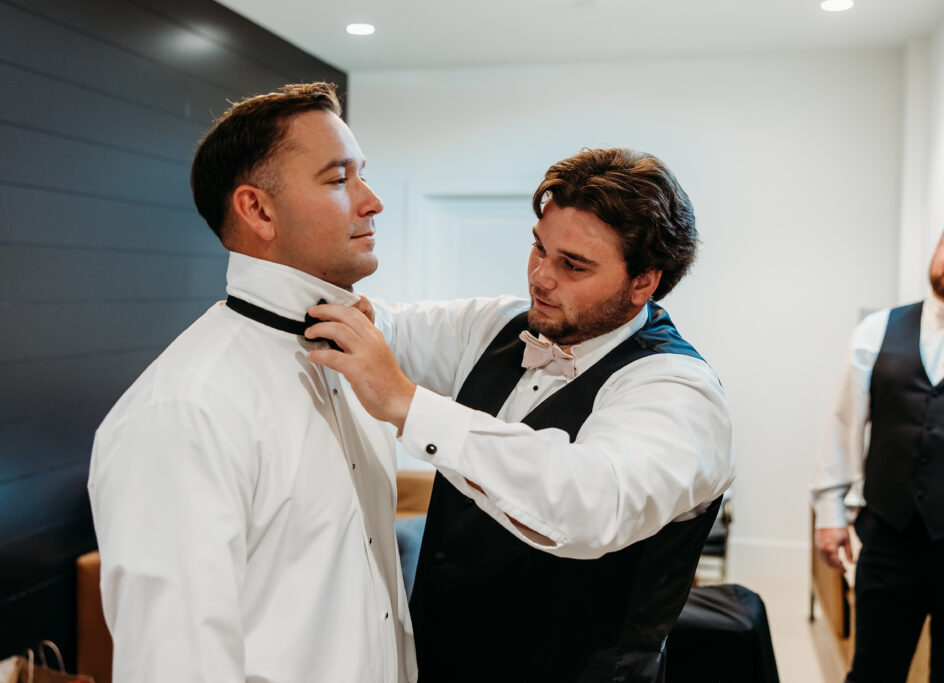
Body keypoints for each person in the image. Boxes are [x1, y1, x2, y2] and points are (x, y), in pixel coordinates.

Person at [307, 148, 735, 682]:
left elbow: (586, 502)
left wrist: (406, 404)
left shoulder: (678, 390)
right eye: (539, 248)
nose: (541, 277)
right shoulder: (498, 325)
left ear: (644, 281)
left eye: (573, 265)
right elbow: (385, 327)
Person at [88, 83, 416, 683]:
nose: (372, 202)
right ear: (257, 210)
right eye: (339, 179)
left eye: (361, 175)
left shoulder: (354, 361)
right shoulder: (186, 409)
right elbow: (175, 667)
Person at [812, 234, 944, 682]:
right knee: (874, 671)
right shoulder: (878, 330)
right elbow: (843, 422)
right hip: (891, 536)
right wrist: (830, 512)